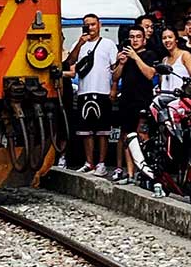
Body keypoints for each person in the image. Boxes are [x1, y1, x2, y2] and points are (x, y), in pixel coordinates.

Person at [63, 13, 117, 174]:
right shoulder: (79, 44)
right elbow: (70, 62)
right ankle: (89, 162)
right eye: (87, 25)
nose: (90, 28)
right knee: (86, 131)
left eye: (93, 24)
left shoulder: (108, 44)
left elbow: (115, 69)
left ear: (99, 25)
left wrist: (114, 89)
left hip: (102, 91)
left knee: (102, 130)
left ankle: (101, 163)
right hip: (83, 91)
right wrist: (80, 43)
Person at [112, 26, 157, 181]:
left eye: (138, 37)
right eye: (132, 37)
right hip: (126, 101)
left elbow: (150, 74)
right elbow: (115, 77)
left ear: (144, 39)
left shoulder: (149, 54)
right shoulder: (125, 56)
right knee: (127, 137)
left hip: (143, 101)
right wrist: (122, 62)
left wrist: (136, 57)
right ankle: (130, 174)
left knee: (142, 136)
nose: (135, 40)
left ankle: (145, 172)